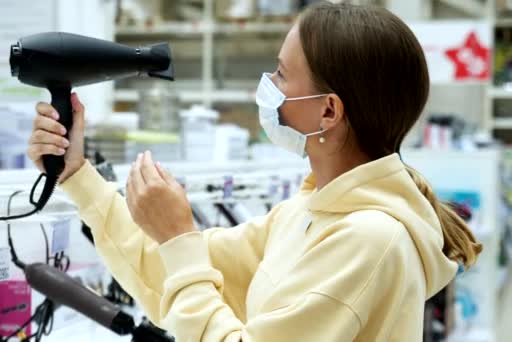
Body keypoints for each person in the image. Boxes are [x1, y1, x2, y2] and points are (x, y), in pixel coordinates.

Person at [27, 2, 482, 341]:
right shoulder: (306, 212)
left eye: (282, 75)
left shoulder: (369, 241)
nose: (265, 87)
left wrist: (179, 239)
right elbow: (165, 276)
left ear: (328, 112)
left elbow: (185, 268)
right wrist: (78, 175)